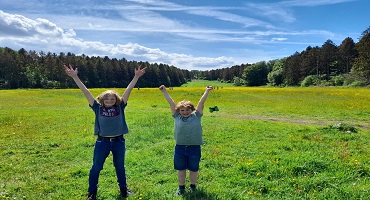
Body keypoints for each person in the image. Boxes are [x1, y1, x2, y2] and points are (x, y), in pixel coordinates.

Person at [64, 64, 146, 200]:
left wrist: (136, 76)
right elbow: (86, 92)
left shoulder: (120, 107)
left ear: (116, 100)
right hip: (102, 142)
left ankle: (124, 190)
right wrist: (75, 77)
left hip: (119, 141)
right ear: (102, 100)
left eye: (112, 99)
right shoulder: (97, 108)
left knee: (120, 167)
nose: (109, 101)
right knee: (96, 167)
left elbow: (128, 89)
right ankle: (92, 193)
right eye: (107, 99)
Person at [159, 85, 213, 196]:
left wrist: (207, 91)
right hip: (180, 147)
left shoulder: (196, 116)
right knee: (181, 169)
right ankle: (181, 188)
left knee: (194, 169)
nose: (185, 112)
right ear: (178, 111)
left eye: (187, 110)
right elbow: (171, 103)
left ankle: (193, 187)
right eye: (182, 110)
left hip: (194, 148)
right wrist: (164, 91)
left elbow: (201, 103)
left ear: (192, 110)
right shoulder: (177, 116)